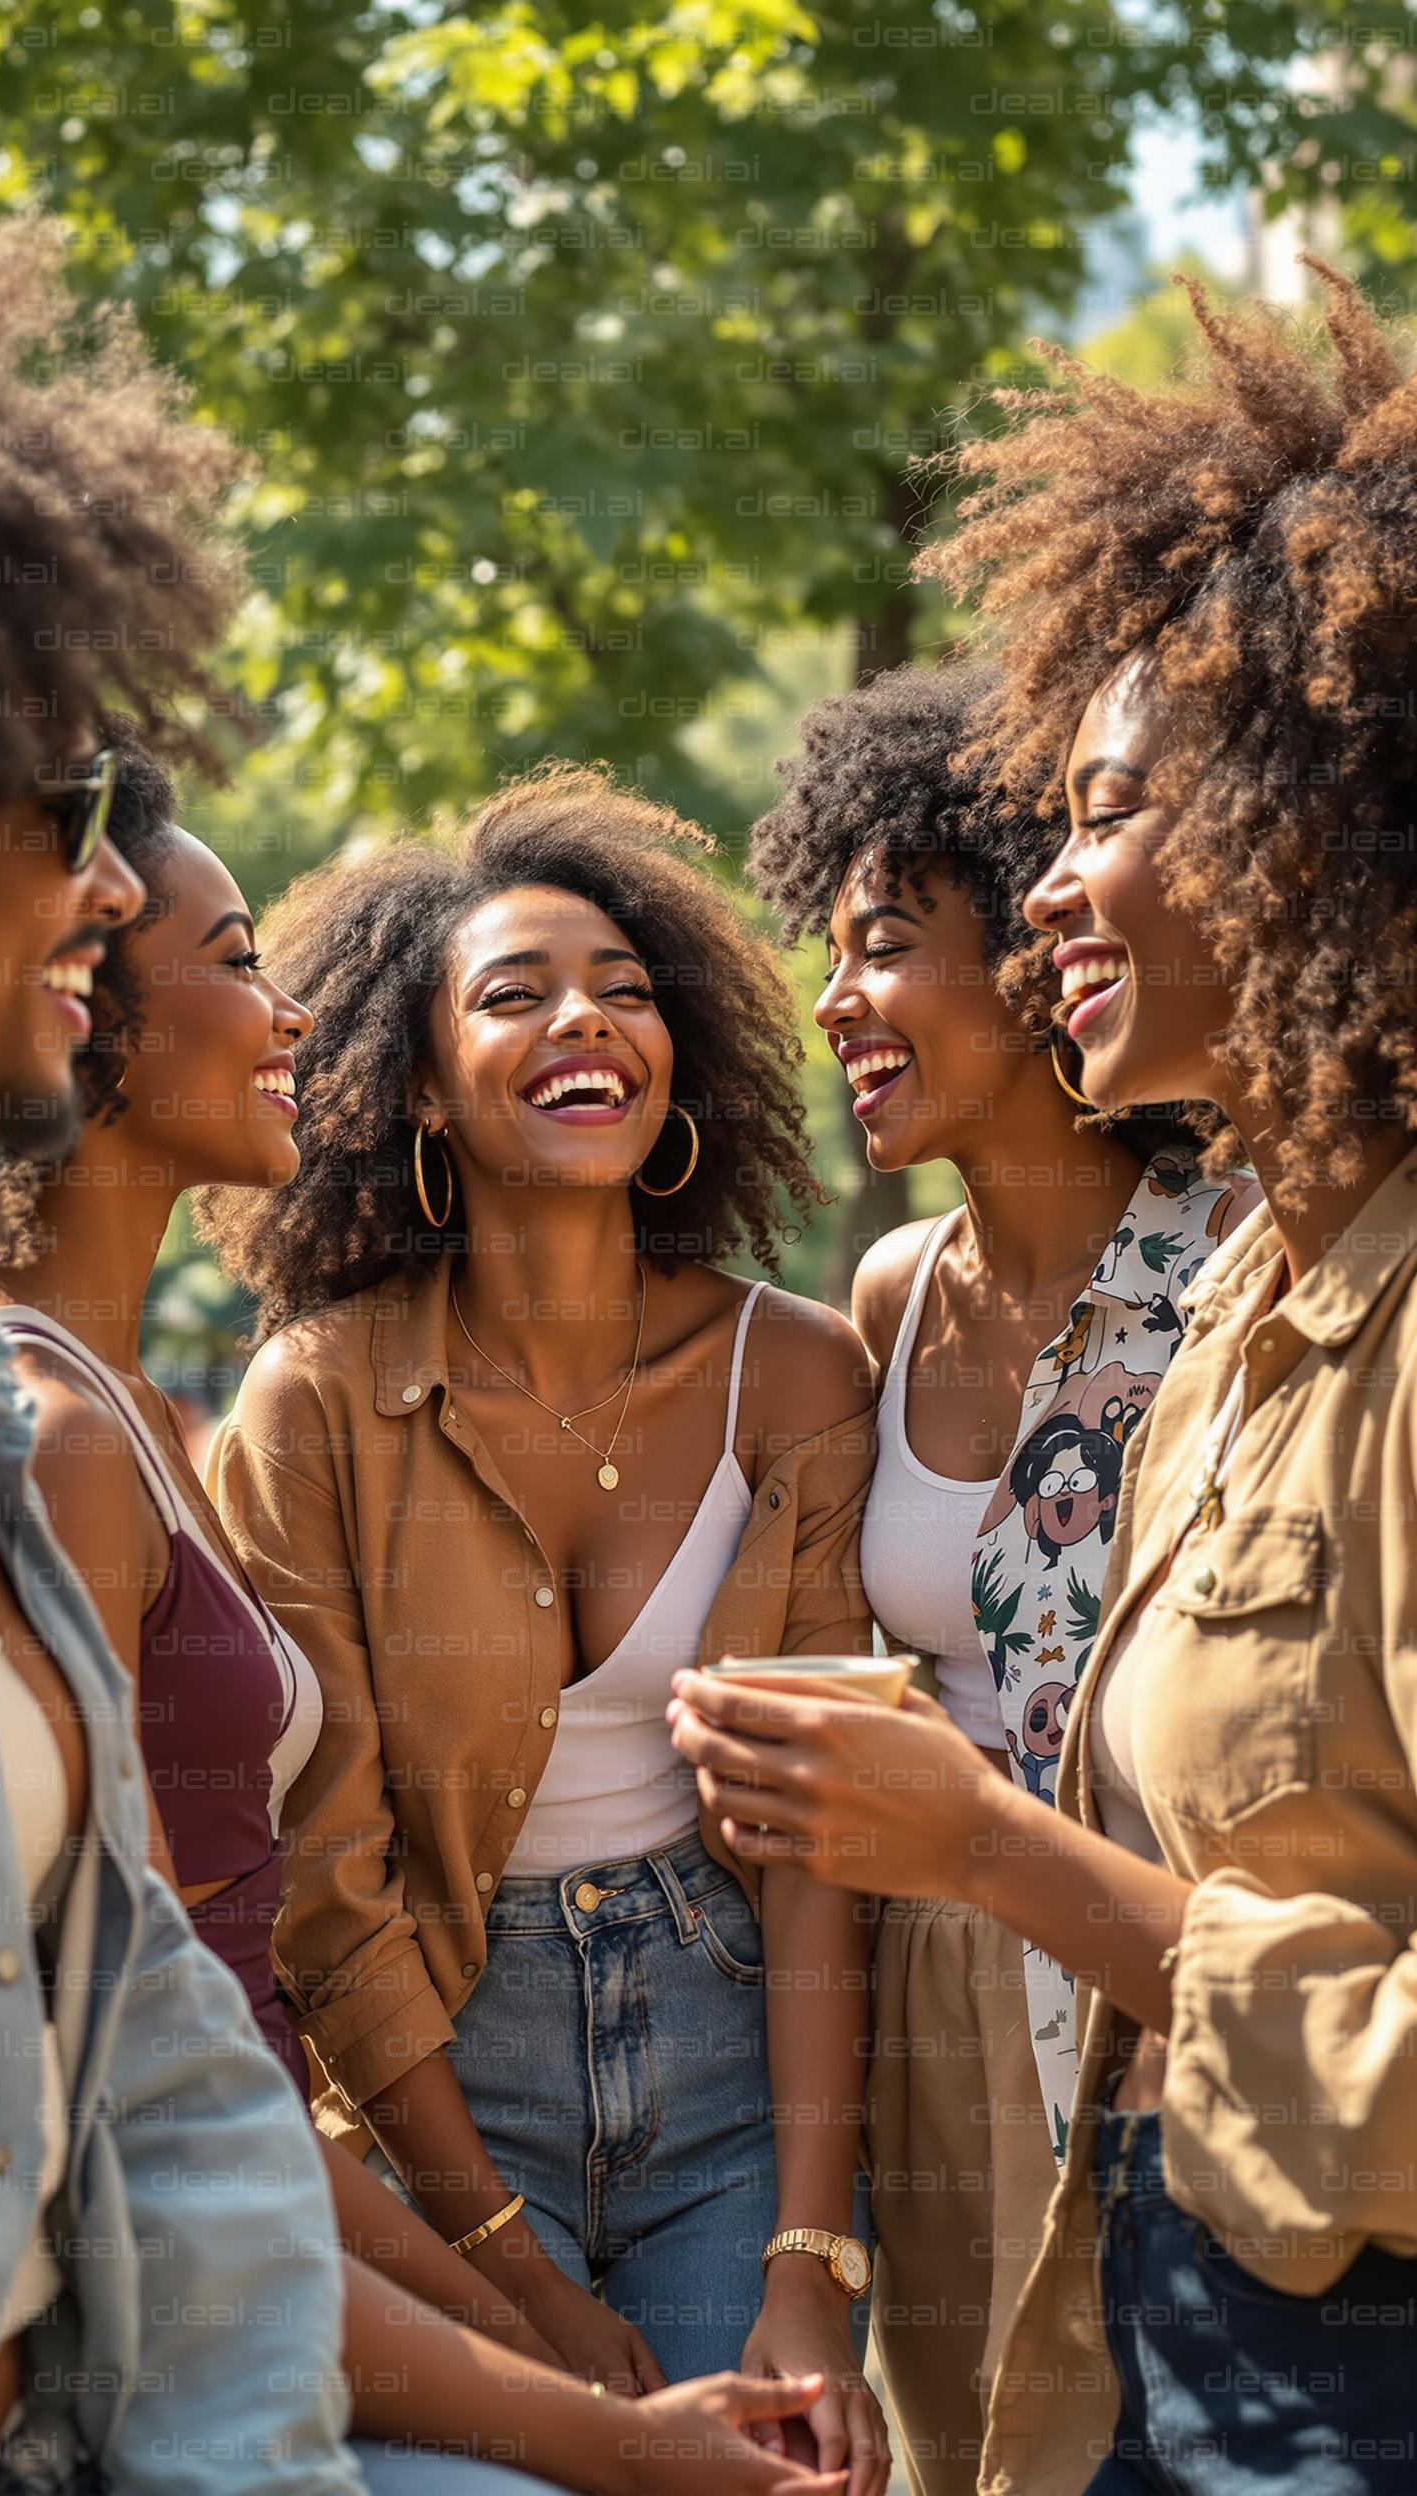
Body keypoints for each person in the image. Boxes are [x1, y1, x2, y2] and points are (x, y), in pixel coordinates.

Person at [0, 211, 841, 2496]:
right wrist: (556, 2358)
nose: (105, 901)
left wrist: (627, 2403)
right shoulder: (88, 1420)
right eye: (63, 831)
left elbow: (154, 2094)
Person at [671, 260, 1417, 2495]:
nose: (1054, 884)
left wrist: (986, 1843)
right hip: (1160, 2265)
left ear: (1316, 825)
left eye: (1099, 817)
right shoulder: (1247, 1311)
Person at [200, 766, 891, 2495]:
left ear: (676, 1069)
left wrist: (813, 2265)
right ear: (419, 1089)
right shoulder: (313, 1404)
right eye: (514, 995)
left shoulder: (795, 1374)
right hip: (442, 2066)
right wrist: (503, 2267)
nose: (587, 1017)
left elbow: (820, 1849)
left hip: (735, 2052)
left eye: (627, 989)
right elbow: (329, 1879)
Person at [0, 723, 564, 2358]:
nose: (289, 1015)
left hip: (271, 2204)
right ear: (86, 1012)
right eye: (234, 960)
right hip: (191, 2276)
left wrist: (507, 2304)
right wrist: (526, 2346)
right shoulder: (45, 1432)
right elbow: (142, 2047)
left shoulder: (132, 1405)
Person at [746, 663, 1252, 2495]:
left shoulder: (1245, 1252)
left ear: (1032, 952)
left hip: (1148, 1971)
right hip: (937, 2002)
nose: (835, 1001)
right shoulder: (889, 1292)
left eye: (885, 943)